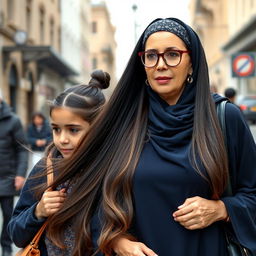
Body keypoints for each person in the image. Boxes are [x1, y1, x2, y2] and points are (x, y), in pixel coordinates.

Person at [11, 18, 256, 256]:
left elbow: (252, 192)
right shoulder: (125, 121)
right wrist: (115, 240)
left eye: (172, 54)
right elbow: (96, 197)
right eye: (151, 56)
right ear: (143, 64)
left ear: (192, 62)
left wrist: (222, 209)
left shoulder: (223, 118)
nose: (161, 65)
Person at [8, 70, 110, 256]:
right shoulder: (46, 169)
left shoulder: (114, 170)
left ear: (98, 128)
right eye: (56, 129)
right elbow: (15, 234)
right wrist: (38, 211)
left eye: (73, 130)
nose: (62, 139)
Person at [0, 95, 28, 256]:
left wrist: (20, 174)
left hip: (7, 177)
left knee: (8, 214)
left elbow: (23, 148)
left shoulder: (13, 120)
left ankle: (6, 246)